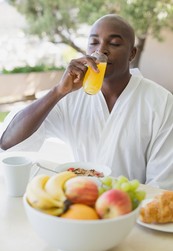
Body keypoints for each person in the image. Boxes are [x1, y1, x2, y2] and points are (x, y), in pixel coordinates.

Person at [1, 14, 173, 189]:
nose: (101, 50)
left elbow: (162, 185)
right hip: (80, 206)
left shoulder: (161, 102)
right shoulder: (70, 96)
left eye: (114, 43)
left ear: (132, 53)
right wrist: (57, 92)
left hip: (133, 210)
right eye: (93, 42)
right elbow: (9, 142)